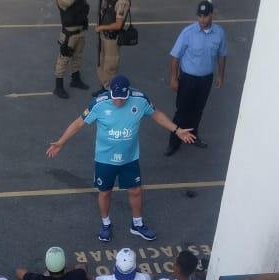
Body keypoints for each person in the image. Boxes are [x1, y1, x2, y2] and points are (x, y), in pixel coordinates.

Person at [46, 75, 196, 242]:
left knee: (136, 191)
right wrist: (61, 142)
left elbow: (156, 115)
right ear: (111, 92)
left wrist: (177, 130)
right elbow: (78, 123)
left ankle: (137, 225)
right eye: (116, 98)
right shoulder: (99, 104)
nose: (119, 102)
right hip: (105, 160)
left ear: (128, 92)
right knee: (105, 193)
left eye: (123, 98)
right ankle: (105, 224)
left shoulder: (140, 100)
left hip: (129, 159)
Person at [165, 0, 227, 156]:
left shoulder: (219, 33)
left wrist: (221, 75)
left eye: (205, 16)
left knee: (198, 110)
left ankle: (192, 137)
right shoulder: (188, 32)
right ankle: (174, 142)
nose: (202, 20)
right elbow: (175, 57)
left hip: (206, 79)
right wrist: (174, 78)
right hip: (188, 79)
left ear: (212, 15)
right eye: (200, 16)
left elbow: (222, 55)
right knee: (182, 111)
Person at [53, 0, 91, 99]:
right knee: (63, 60)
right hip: (69, 34)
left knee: (78, 57)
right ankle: (58, 87)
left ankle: (76, 79)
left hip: (80, 31)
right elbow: (68, 2)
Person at [94, 0, 131, 92]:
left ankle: (109, 91)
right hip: (104, 37)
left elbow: (118, 25)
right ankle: (104, 87)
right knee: (102, 63)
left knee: (110, 66)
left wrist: (101, 27)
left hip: (112, 39)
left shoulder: (122, 2)